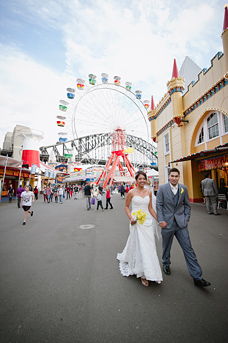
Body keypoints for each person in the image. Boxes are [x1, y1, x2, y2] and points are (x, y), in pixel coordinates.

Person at [156, 167, 211, 288]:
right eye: (172, 176)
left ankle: (197, 277)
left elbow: (187, 205)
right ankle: (166, 263)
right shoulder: (162, 189)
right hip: (167, 223)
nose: (174, 178)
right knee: (166, 246)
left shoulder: (184, 189)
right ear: (169, 176)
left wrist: (186, 218)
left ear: (179, 177)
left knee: (189, 249)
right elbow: (159, 206)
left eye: (176, 176)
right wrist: (161, 220)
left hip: (181, 224)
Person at [117, 171, 163, 287]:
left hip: (148, 222)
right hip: (135, 221)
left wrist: (158, 220)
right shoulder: (131, 192)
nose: (142, 180)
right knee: (140, 245)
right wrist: (131, 218)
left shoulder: (149, 192)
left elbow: (150, 208)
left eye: (144, 179)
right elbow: (127, 207)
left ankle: (152, 270)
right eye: (140, 179)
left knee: (150, 246)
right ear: (136, 180)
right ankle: (142, 273)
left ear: (146, 180)